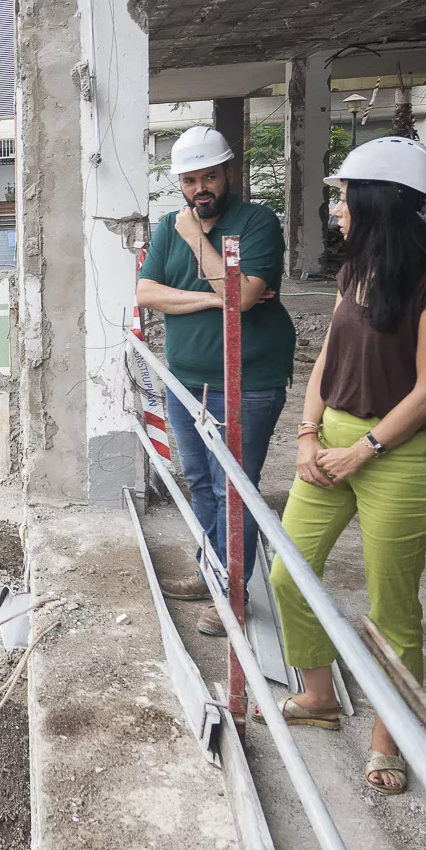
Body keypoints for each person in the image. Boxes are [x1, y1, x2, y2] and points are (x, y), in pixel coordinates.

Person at [271, 136, 426, 794]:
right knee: (288, 572)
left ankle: (391, 737)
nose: (337, 206)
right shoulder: (354, 271)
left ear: (378, 202)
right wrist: (306, 433)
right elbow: (326, 358)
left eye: (345, 194)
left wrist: (365, 449)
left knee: (393, 607)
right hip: (331, 439)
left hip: (398, 452)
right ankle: (320, 694)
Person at [136, 125, 298, 633]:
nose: (199, 188)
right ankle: (213, 572)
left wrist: (196, 241)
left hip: (247, 382)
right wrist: (215, 299)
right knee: (202, 481)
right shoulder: (168, 225)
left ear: (228, 173)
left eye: (209, 176)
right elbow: (146, 293)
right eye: (189, 180)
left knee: (235, 489)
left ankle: (233, 595)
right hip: (186, 381)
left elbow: (245, 296)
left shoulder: (257, 223)